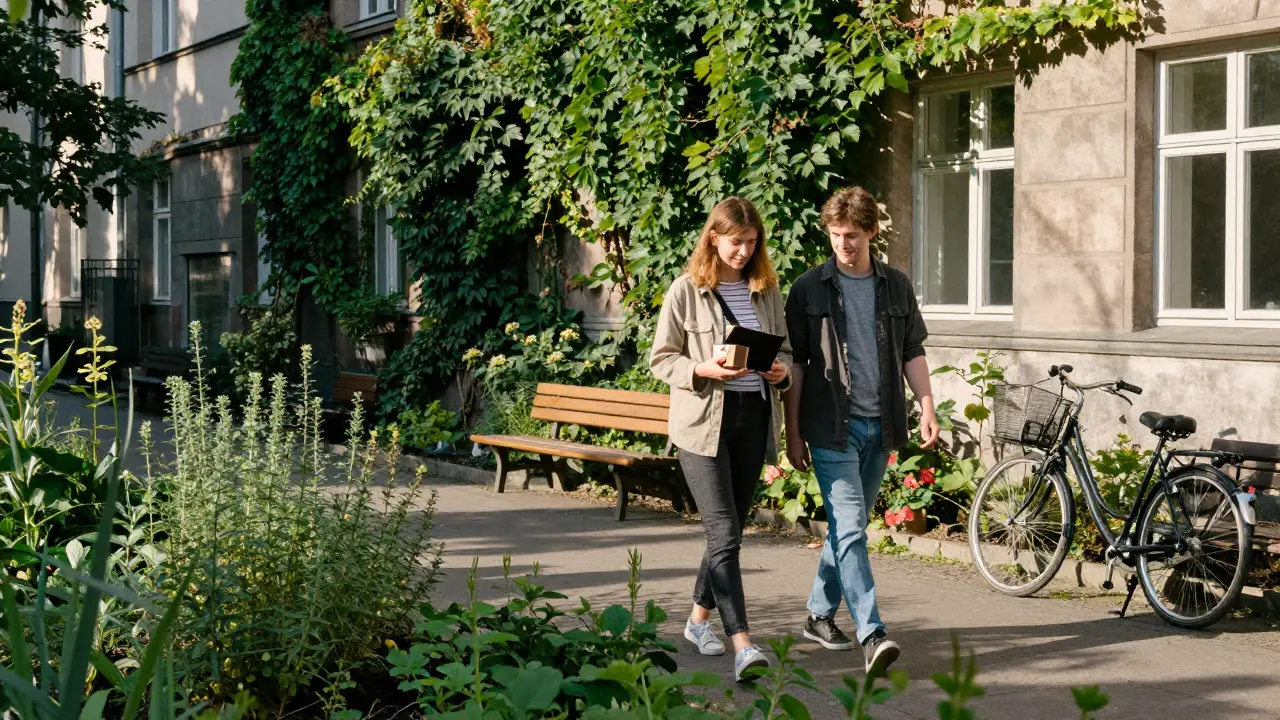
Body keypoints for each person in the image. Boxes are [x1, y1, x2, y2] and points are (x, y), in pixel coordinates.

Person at [782, 186, 938, 676]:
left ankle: (817, 614)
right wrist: (791, 430)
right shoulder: (809, 289)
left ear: (871, 231)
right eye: (835, 235)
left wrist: (927, 406)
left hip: (881, 423)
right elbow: (797, 364)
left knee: (849, 531)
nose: (843, 244)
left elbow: (912, 350)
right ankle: (873, 634)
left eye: (852, 235)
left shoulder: (895, 286)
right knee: (849, 527)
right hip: (831, 426)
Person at [650, 196, 793, 682]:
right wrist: (701, 369)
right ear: (714, 236)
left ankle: (695, 624)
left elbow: (788, 353)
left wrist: (780, 373)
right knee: (726, 533)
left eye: (752, 244)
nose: (744, 252)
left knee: (725, 534)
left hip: (753, 418)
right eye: (736, 242)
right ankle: (743, 645)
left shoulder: (766, 290)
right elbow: (662, 358)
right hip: (701, 424)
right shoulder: (685, 290)